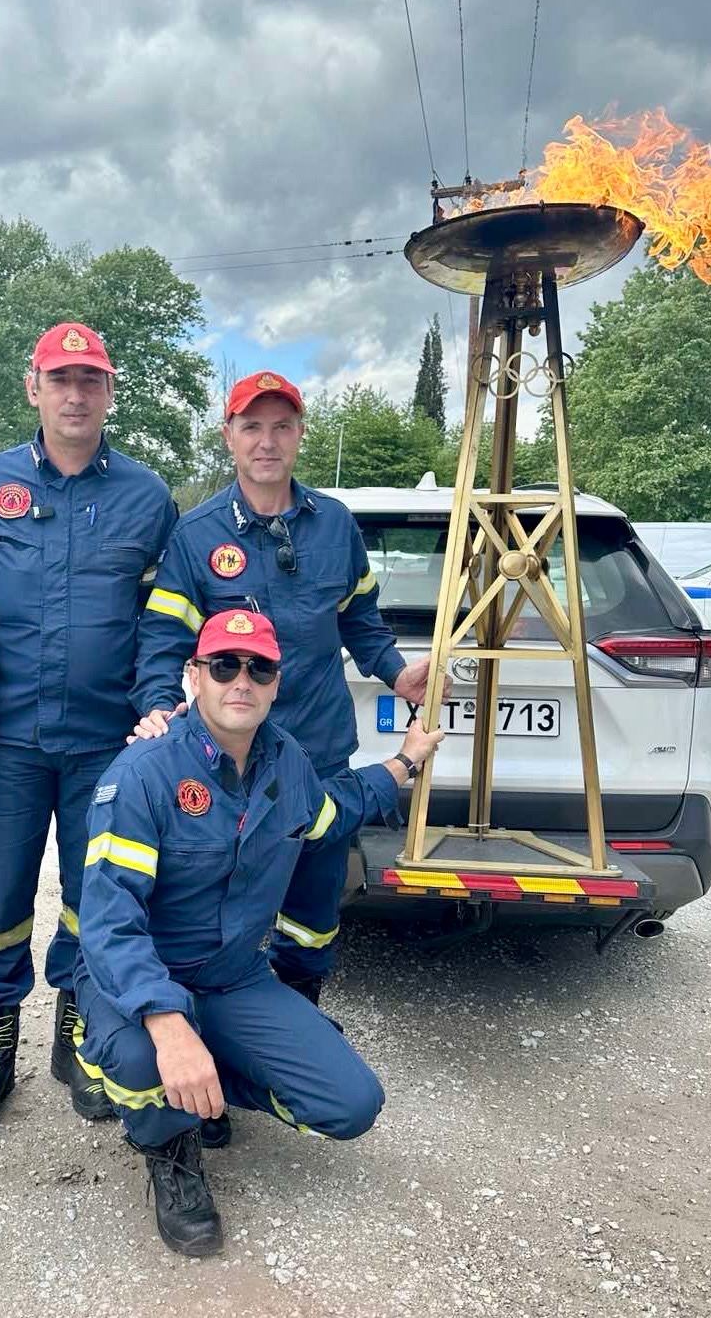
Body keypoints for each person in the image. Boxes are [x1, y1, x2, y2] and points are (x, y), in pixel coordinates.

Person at [76, 608, 443, 1256]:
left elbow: (331, 812)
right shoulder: (142, 774)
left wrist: (404, 762)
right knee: (140, 1058)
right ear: (195, 676)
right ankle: (169, 1145)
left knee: (350, 1104)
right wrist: (167, 1025)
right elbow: (110, 923)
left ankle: (202, 1088)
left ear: (276, 683)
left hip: (232, 978)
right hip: (139, 983)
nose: (241, 679)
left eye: (259, 668)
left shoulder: (286, 762)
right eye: (224, 665)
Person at [133, 370, 439, 1010]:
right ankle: (208, 1026)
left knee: (311, 909)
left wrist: (395, 671)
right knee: (213, 902)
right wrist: (159, 705)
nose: (266, 442)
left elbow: (359, 620)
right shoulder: (196, 535)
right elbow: (163, 637)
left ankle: (298, 1011)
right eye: (252, 427)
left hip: (318, 750)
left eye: (281, 427)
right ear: (229, 436)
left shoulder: (336, 526)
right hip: (226, 759)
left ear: (300, 434)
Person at [0, 321, 176, 1133]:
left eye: (90, 380)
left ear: (109, 392)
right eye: (60, 379)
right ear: (32, 388)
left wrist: (158, 701)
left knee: (96, 900)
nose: (75, 394)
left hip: (107, 746)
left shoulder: (147, 497)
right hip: (4, 742)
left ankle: (82, 1038)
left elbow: (163, 622)